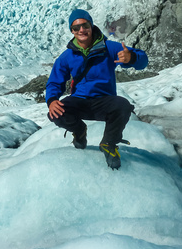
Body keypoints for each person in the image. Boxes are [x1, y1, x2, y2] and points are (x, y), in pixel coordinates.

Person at [46, 9, 148, 170]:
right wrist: (52, 100)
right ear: (71, 31)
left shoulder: (109, 47)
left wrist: (132, 58)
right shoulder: (67, 56)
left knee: (122, 106)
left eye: (85, 25)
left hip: (104, 102)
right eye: (76, 28)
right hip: (80, 101)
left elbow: (142, 60)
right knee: (55, 112)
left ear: (91, 25)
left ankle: (109, 143)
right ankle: (79, 130)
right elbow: (54, 82)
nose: (81, 30)